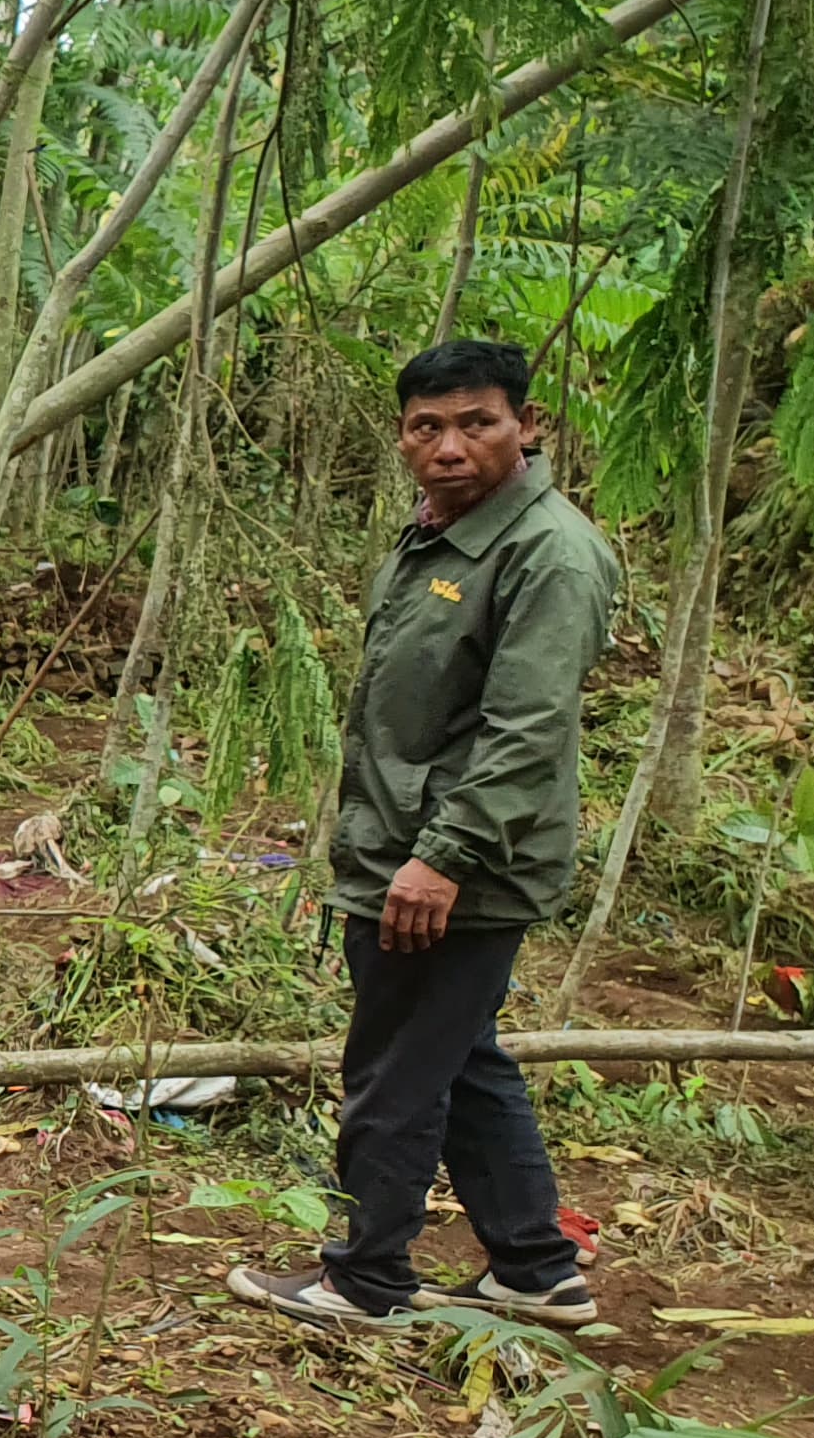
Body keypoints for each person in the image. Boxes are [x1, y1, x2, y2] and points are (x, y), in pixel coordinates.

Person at [230, 338, 616, 1331]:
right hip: (405, 850)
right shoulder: (440, 538)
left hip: (457, 867)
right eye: (427, 427)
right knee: (459, 1056)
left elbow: (526, 730)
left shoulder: (547, 553)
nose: (450, 447)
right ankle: (535, 1266)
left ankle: (366, 1279)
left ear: (527, 426)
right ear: (402, 438)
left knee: (395, 1071)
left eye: (477, 423)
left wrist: (442, 859)